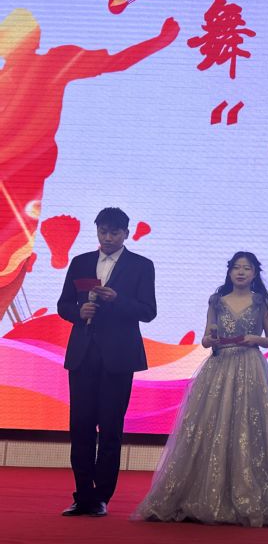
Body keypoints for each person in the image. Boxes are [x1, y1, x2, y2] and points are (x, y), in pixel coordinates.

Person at [0, 9, 178, 318]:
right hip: (17, 181)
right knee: (12, 259)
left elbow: (115, 61)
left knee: (12, 260)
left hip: (23, 181)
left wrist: (160, 41)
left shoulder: (53, 63)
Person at [133, 251, 268, 527]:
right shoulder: (216, 301)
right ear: (229, 271)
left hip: (250, 366)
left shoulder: (262, 302)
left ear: (255, 274)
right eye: (236, 267)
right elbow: (205, 339)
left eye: (247, 268)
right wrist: (210, 339)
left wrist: (253, 338)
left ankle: (247, 492)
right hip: (219, 366)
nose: (241, 272)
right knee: (210, 424)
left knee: (248, 425)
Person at [57, 207, 157, 517]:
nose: (108, 238)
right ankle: (82, 496)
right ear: (97, 231)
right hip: (83, 355)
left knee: (111, 429)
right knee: (81, 427)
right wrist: (78, 312)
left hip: (118, 357)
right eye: (103, 231)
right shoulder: (80, 262)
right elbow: (63, 305)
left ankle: (101, 497)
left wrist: (117, 299)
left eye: (114, 232)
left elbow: (148, 311)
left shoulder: (141, 266)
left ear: (126, 233)